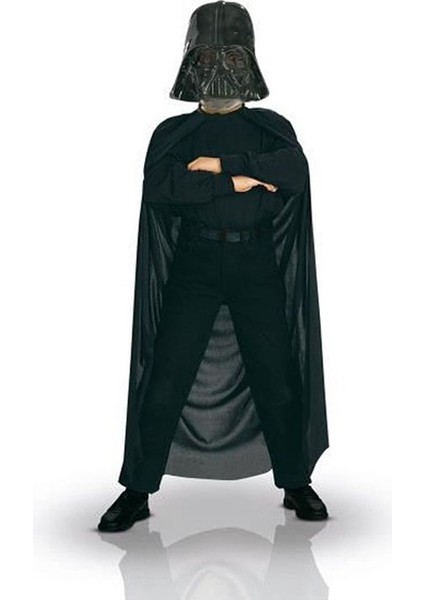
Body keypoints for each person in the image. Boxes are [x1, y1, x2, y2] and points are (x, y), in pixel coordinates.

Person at [98, 1, 330, 533]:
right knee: (165, 377)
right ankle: (137, 489)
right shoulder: (173, 135)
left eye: (231, 58)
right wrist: (240, 182)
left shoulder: (272, 129)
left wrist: (222, 166)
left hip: (255, 264)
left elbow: (293, 173)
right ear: (191, 64)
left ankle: (295, 481)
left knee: (277, 376)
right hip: (195, 265)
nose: (219, 70)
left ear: (249, 63)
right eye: (207, 58)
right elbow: (163, 187)